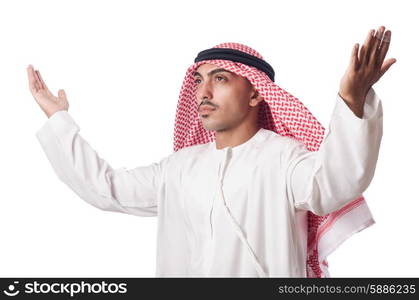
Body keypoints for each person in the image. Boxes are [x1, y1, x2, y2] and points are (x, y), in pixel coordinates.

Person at [28, 25, 395, 277]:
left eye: (220, 79)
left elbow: (336, 183)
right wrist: (59, 120)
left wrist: (351, 99)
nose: (203, 93)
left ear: (255, 93)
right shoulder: (179, 168)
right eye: (199, 80)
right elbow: (104, 187)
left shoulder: (285, 159)